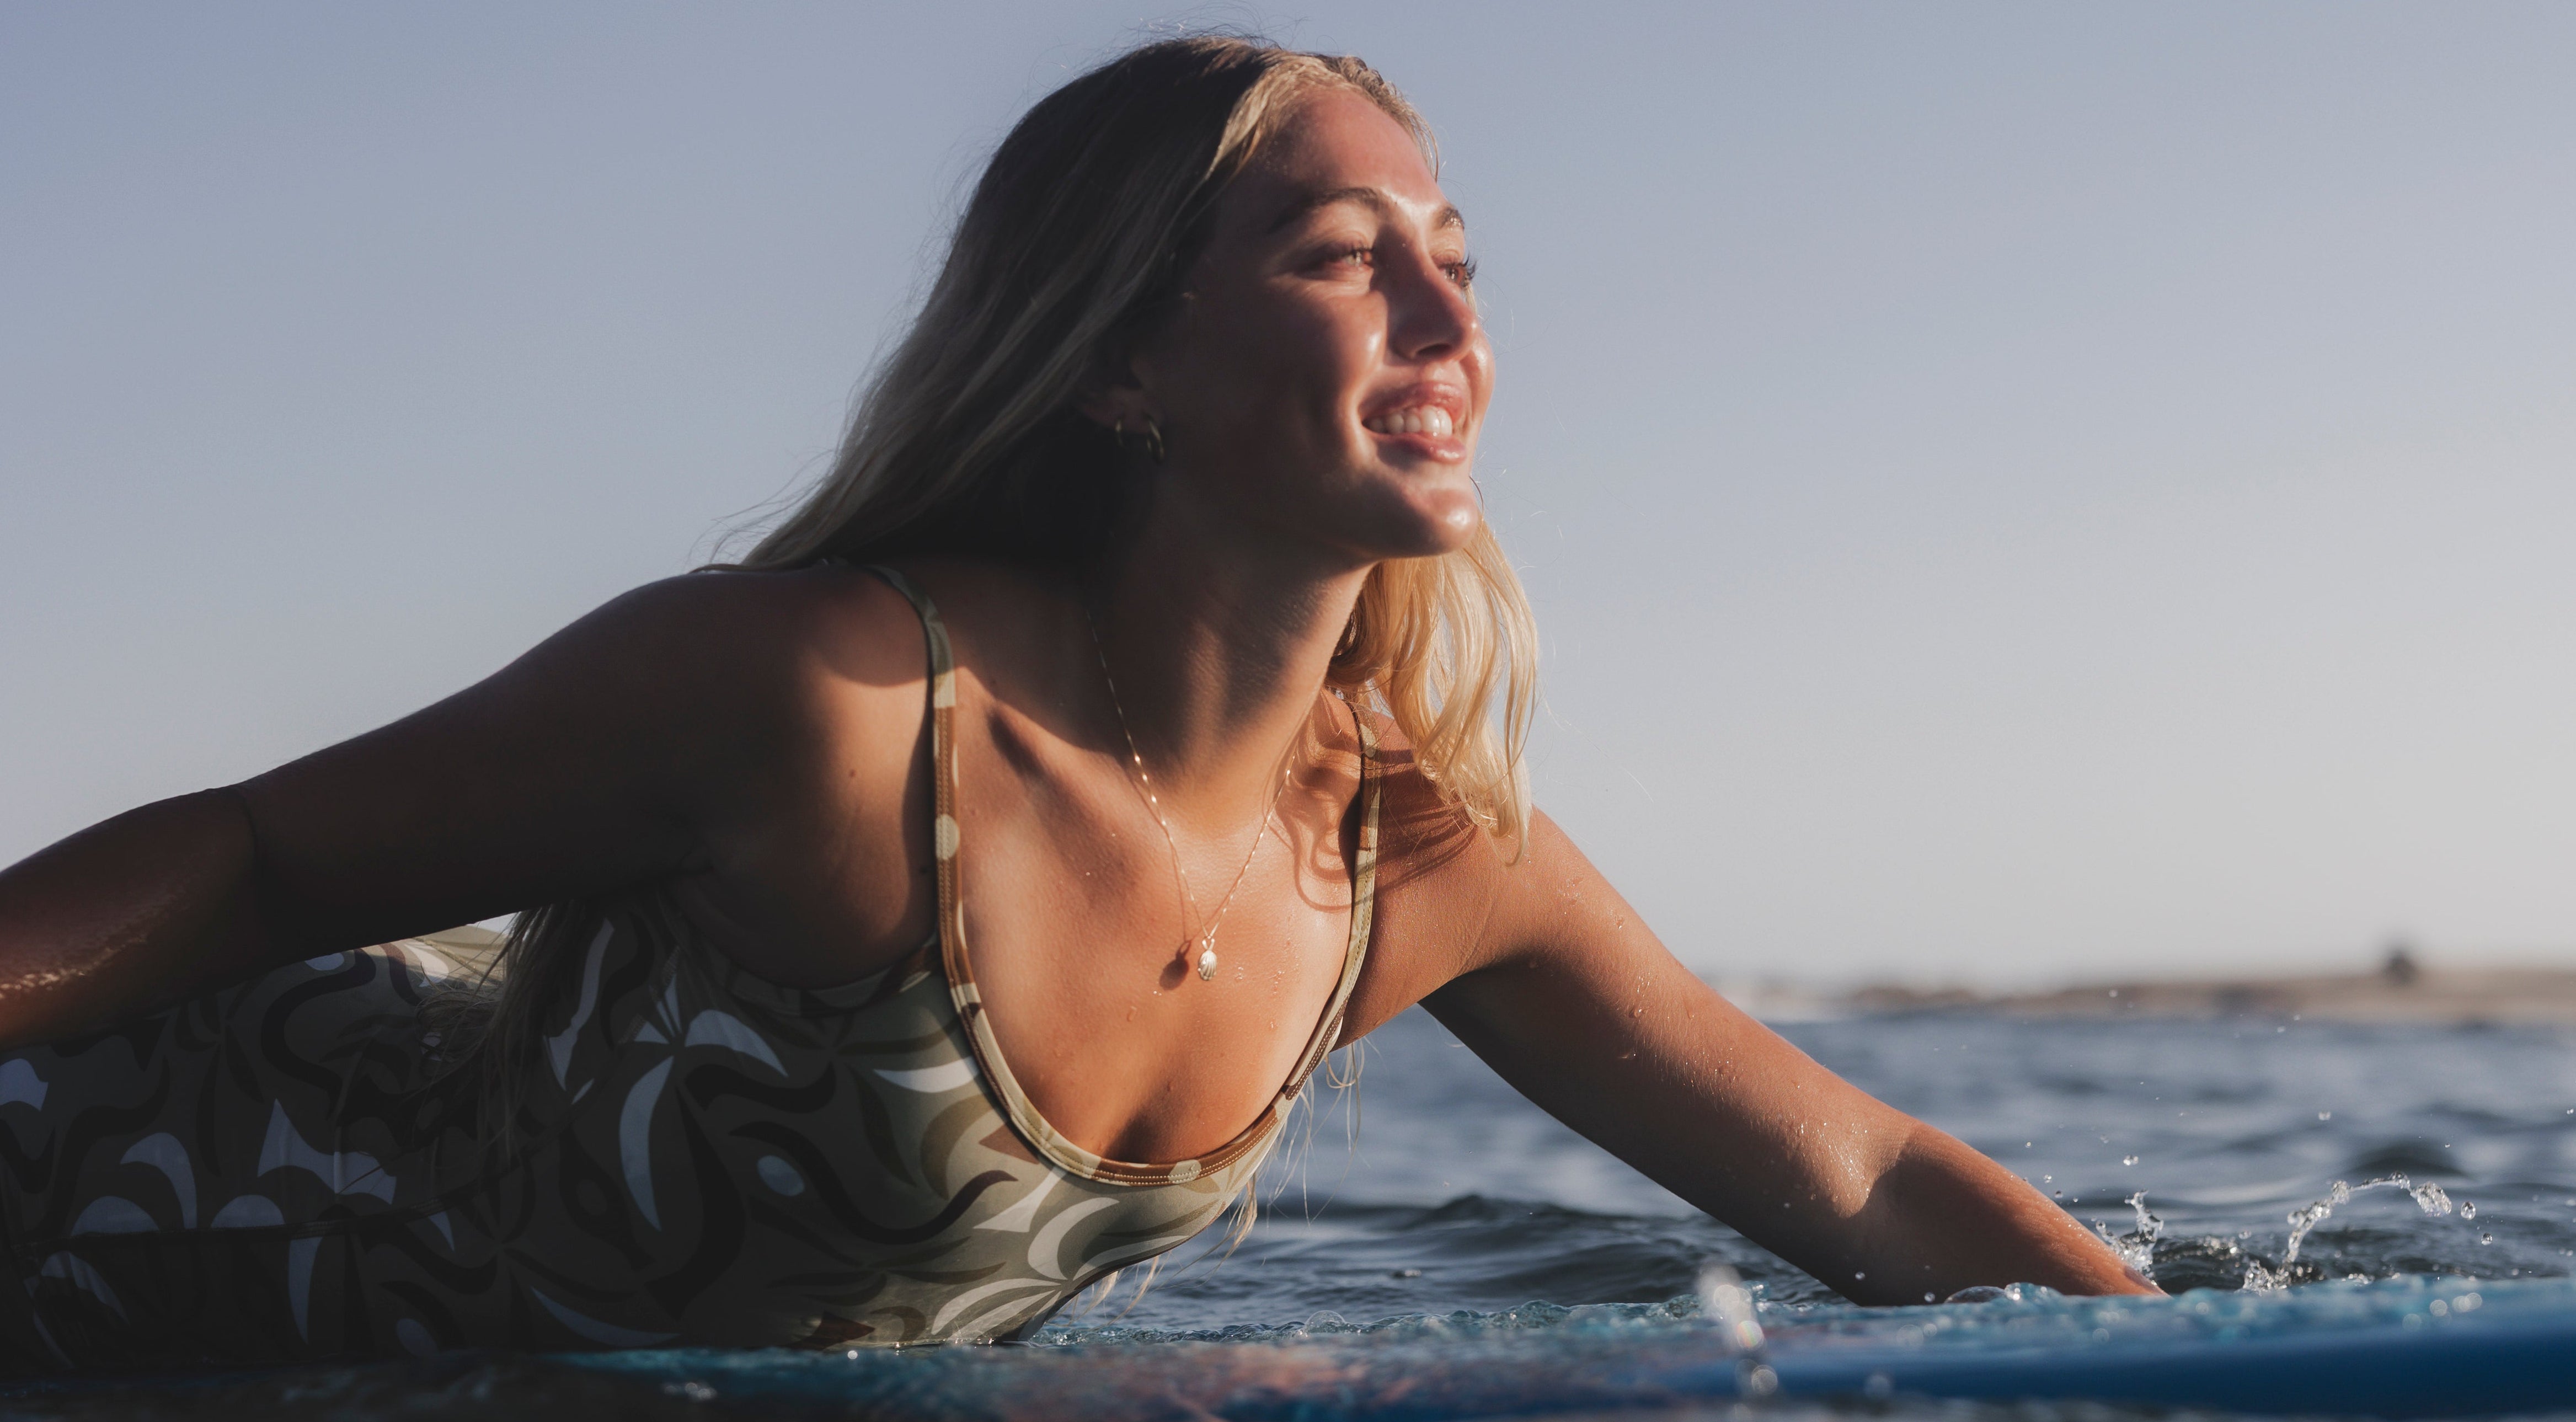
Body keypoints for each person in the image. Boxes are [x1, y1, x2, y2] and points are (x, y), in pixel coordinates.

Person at [0, 36, 2154, 1371]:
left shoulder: (1413, 854)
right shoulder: (829, 703)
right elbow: (257, 854)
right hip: (117, 1193)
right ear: (1119, 366)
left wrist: (2233, 1365)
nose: (1445, 316)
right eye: (1339, 255)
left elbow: (1858, 1181)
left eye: (1458, 260)